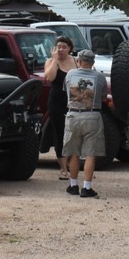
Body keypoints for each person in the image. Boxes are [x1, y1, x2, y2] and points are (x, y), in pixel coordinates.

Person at [62, 49, 108, 198]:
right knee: (90, 154)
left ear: (79, 61)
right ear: (93, 62)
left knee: (74, 152)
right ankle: (87, 187)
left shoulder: (70, 74)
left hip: (73, 115)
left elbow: (66, 91)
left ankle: (73, 185)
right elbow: (103, 96)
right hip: (92, 115)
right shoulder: (100, 77)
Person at [43, 35, 75, 180]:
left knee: (73, 134)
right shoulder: (50, 61)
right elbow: (49, 78)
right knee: (60, 133)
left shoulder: (75, 61)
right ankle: (63, 168)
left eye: (64, 47)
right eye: (59, 47)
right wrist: (55, 60)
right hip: (57, 102)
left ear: (70, 49)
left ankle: (70, 164)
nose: (61, 50)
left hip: (74, 102)